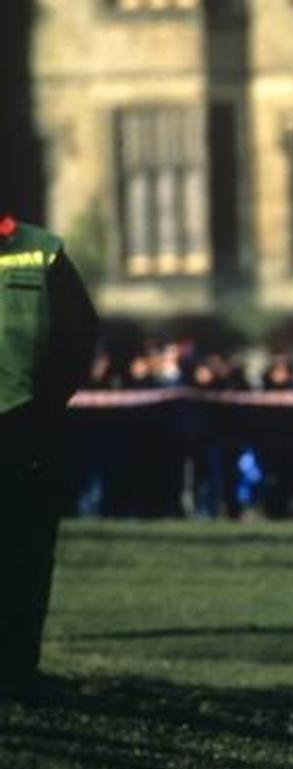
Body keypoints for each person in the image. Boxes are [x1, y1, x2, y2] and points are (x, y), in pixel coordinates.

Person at [0, 213, 100, 697]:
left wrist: (46, 403)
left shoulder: (43, 251)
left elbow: (80, 334)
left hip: (25, 426)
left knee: (26, 553)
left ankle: (17, 671)